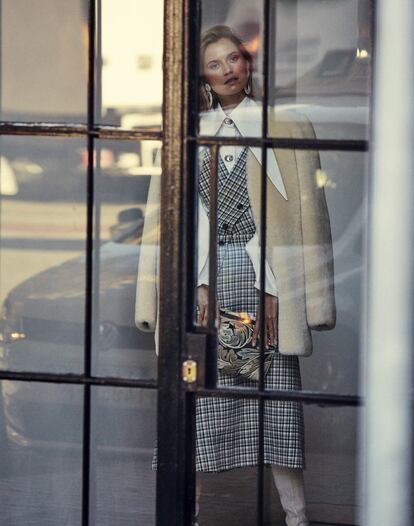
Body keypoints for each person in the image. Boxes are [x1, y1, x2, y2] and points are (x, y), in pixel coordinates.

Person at [136, 24, 336, 526]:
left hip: (262, 277)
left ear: (248, 63)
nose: (228, 70)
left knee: (277, 407)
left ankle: (297, 518)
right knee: (196, 400)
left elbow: (306, 220)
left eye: (235, 59)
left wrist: (276, 292)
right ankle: (189, 515)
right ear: (201, 76)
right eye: (215, 63)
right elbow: (170, 221)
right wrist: (194, 283)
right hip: (202, 283)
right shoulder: (186, 131)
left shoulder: (283, 125)